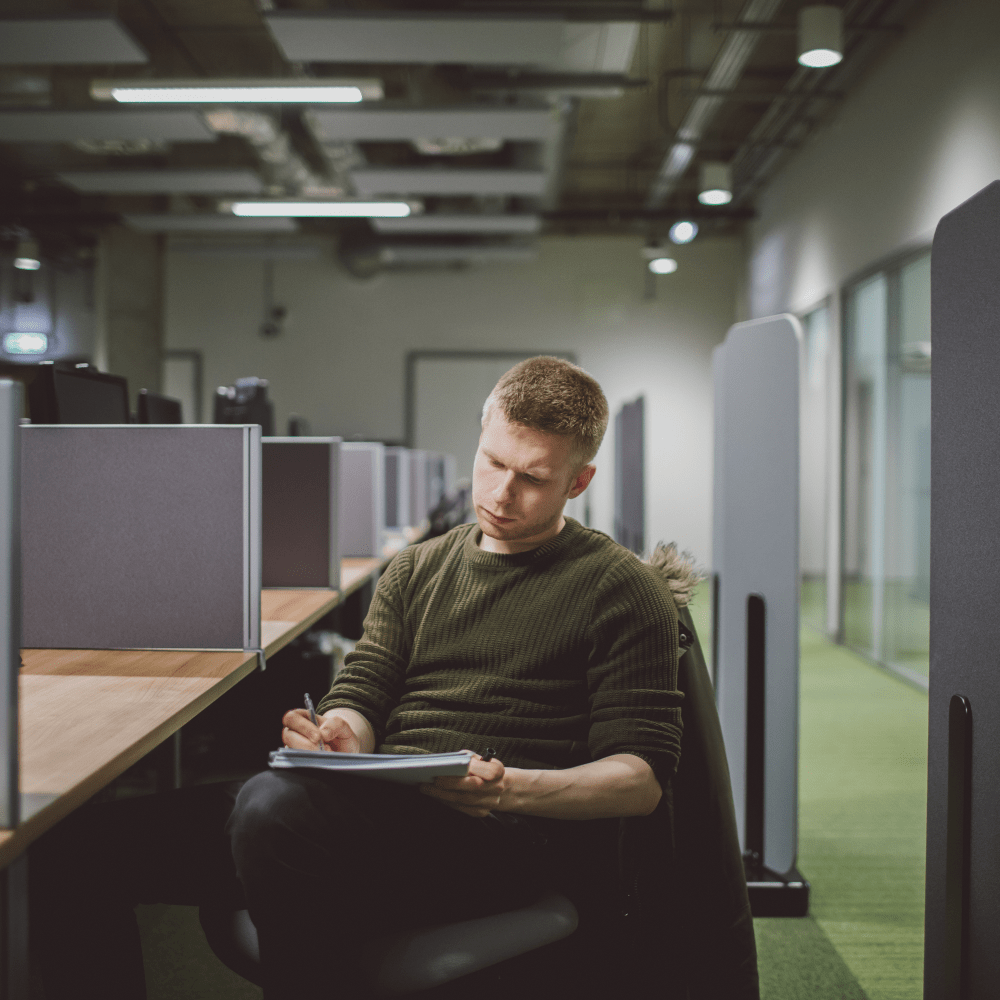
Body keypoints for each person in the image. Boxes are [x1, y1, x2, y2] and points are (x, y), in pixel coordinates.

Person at [29, 356, 684, 1000]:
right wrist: (342, 731)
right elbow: (367, 684)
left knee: (271, 812)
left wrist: (509, 790)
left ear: (579, 481)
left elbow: (640, 781)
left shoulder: (619, 589)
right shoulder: (417, 569)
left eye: (533, 478)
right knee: (73, 847)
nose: (500, 494)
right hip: (373, 812)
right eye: (492, 462)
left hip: (501, 838)